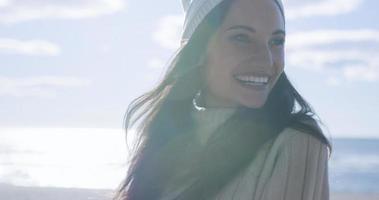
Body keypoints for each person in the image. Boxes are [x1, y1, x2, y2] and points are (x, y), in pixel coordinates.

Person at [114, 0, 332, 199]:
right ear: (199, 50)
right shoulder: (165, 138)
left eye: (277, 41)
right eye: (242, 38)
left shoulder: (296, 141)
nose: (266, 59)